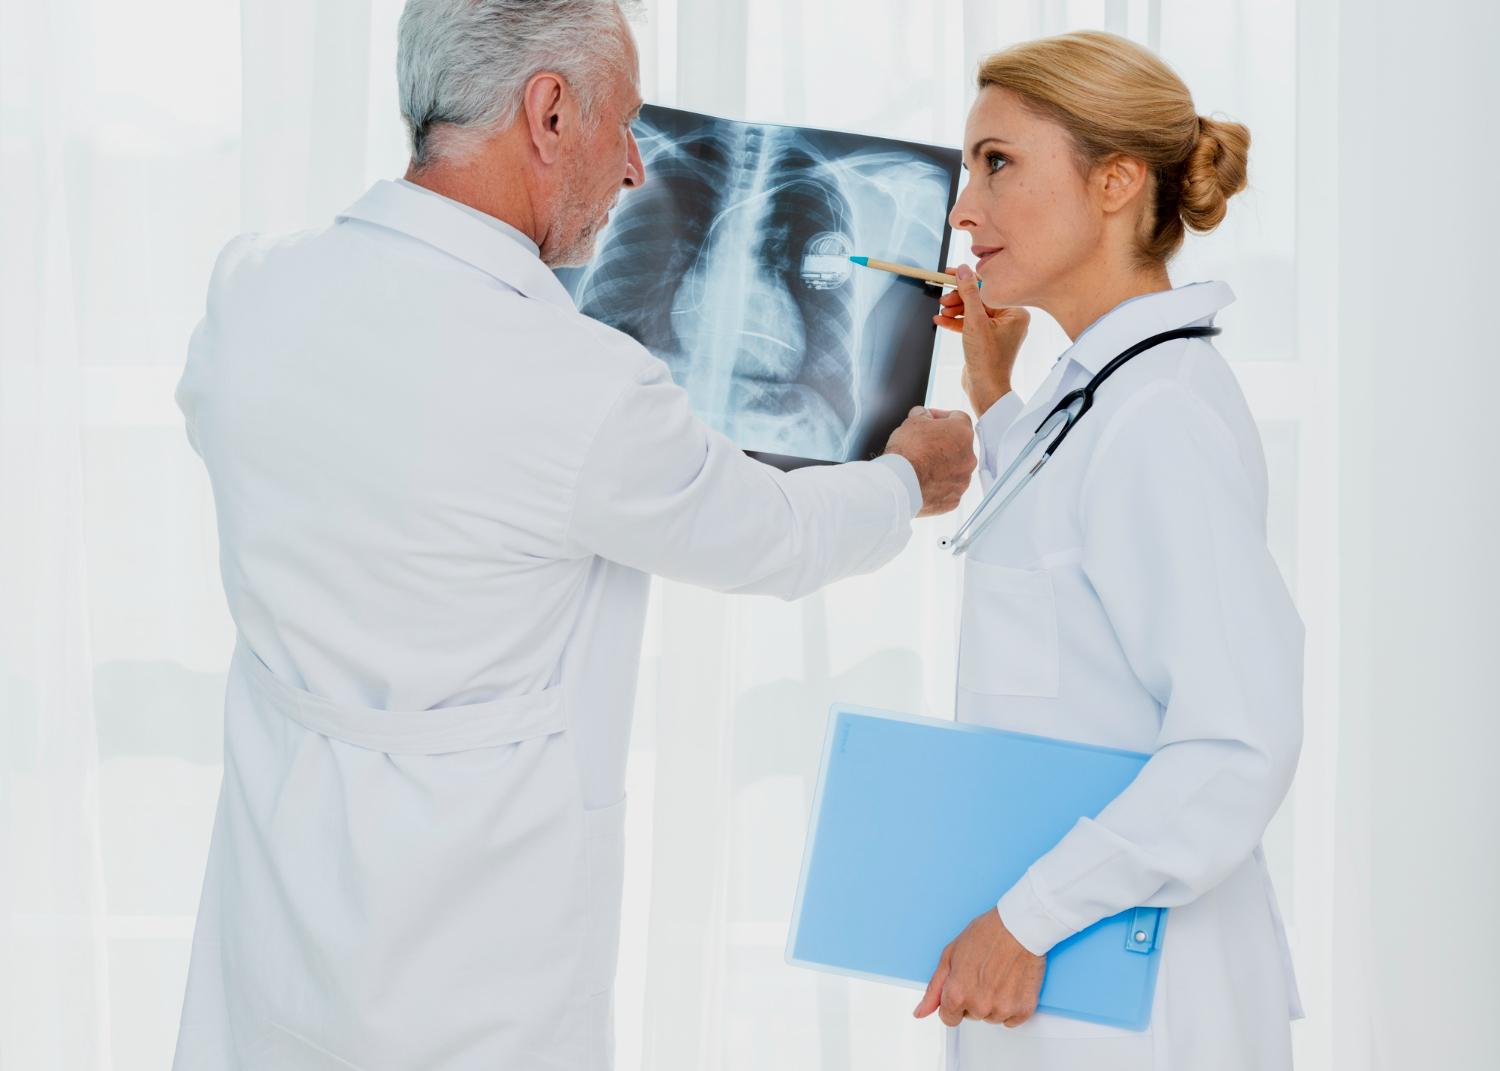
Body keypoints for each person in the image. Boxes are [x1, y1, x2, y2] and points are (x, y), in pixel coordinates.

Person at [169, 1, 975, 1068]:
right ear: (549, 112)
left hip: (277, 927)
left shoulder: (252, 287)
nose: (639, 169)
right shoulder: (579, 388)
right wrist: (906, 477)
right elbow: (772, 537)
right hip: (473, 966)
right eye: (625, 123)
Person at [910, 31, 1304, 1071]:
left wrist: (1029, 918)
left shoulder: (1158, 416)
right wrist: (995, 397)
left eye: (998, 162)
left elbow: (1236, 744)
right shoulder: (1109, 395)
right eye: (967, 167)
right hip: (1074, 977)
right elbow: (1065, 554)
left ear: (1118, 181)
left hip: (1136, 992)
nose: (963, 205)